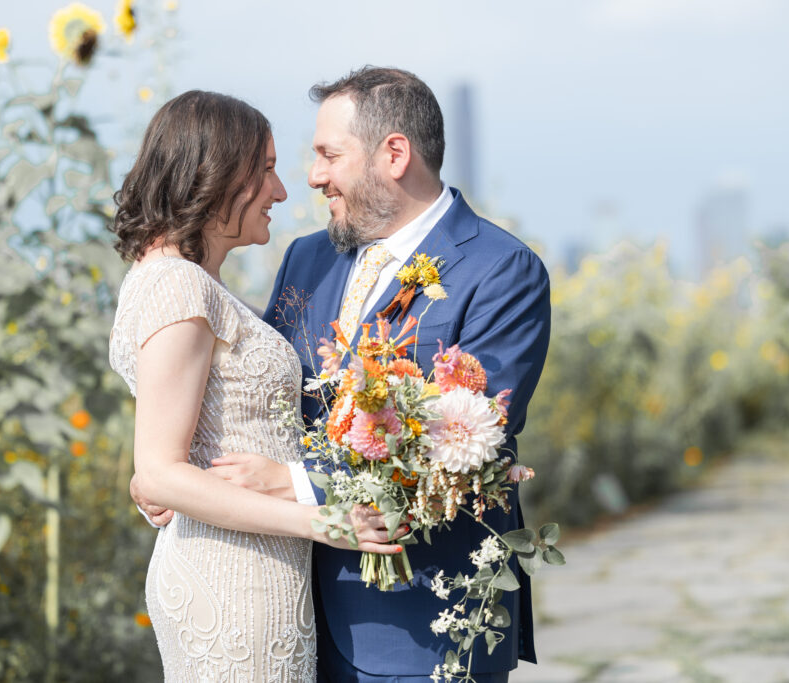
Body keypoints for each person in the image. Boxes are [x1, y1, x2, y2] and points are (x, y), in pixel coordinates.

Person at [135, 69, 551, 681]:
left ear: (395, 154)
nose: (312, 176)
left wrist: (294, 484)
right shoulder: (307, 257)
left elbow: (464, 444)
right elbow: (264, 399)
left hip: (421, 624)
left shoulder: (502, 271)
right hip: (279, 602)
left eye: (329, 155)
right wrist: (169, 471)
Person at [108, 90, 405, 683]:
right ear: (215, 174)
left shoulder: (191, 283)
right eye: (265, 170)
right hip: (232, 579)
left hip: (255, 566)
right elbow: (163, 471)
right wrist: (325, 521)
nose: (282, 190)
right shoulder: (177, 287)